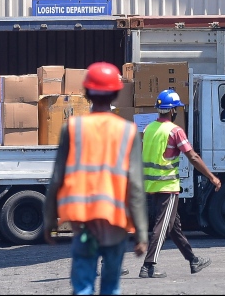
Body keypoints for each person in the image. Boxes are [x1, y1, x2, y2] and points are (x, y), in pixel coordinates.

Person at [43, 62, 148, 296]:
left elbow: (57, 178)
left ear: (87, 93)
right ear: (116, 93)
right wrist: (141, 233)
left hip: (84, 223)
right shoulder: (128, 131)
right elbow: (136, 186)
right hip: (116, 223)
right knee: (111, 287)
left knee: (83, 286)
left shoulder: (73, 128)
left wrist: (49, 220)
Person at [139, 88, 219, 278]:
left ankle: (193, 260)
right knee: (163, 225)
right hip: (167, 185)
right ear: (173, 110)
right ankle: (148, 265)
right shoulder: (175, 131)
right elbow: (192, 156)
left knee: (173, 226)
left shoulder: (149, 128)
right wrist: (211, 176)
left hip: (151, 184)